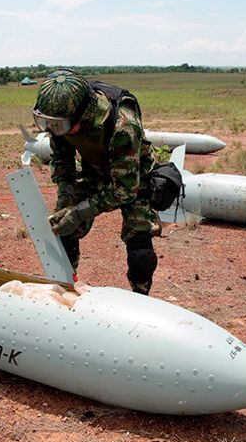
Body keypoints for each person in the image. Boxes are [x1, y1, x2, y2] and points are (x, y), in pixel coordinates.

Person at [32, 68, 160, 295]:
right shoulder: (61, 119)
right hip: (94, 169)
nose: (54, 130)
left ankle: (141, 297)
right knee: (63, 227)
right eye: (47, 123)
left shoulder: (123, 125)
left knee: (139, 243)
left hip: (132, 175)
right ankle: (64, 289)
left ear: (84, 114)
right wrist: (66, 195)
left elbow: (124, 191)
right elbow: (62, 159)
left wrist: (81, 211)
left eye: (59, 125)